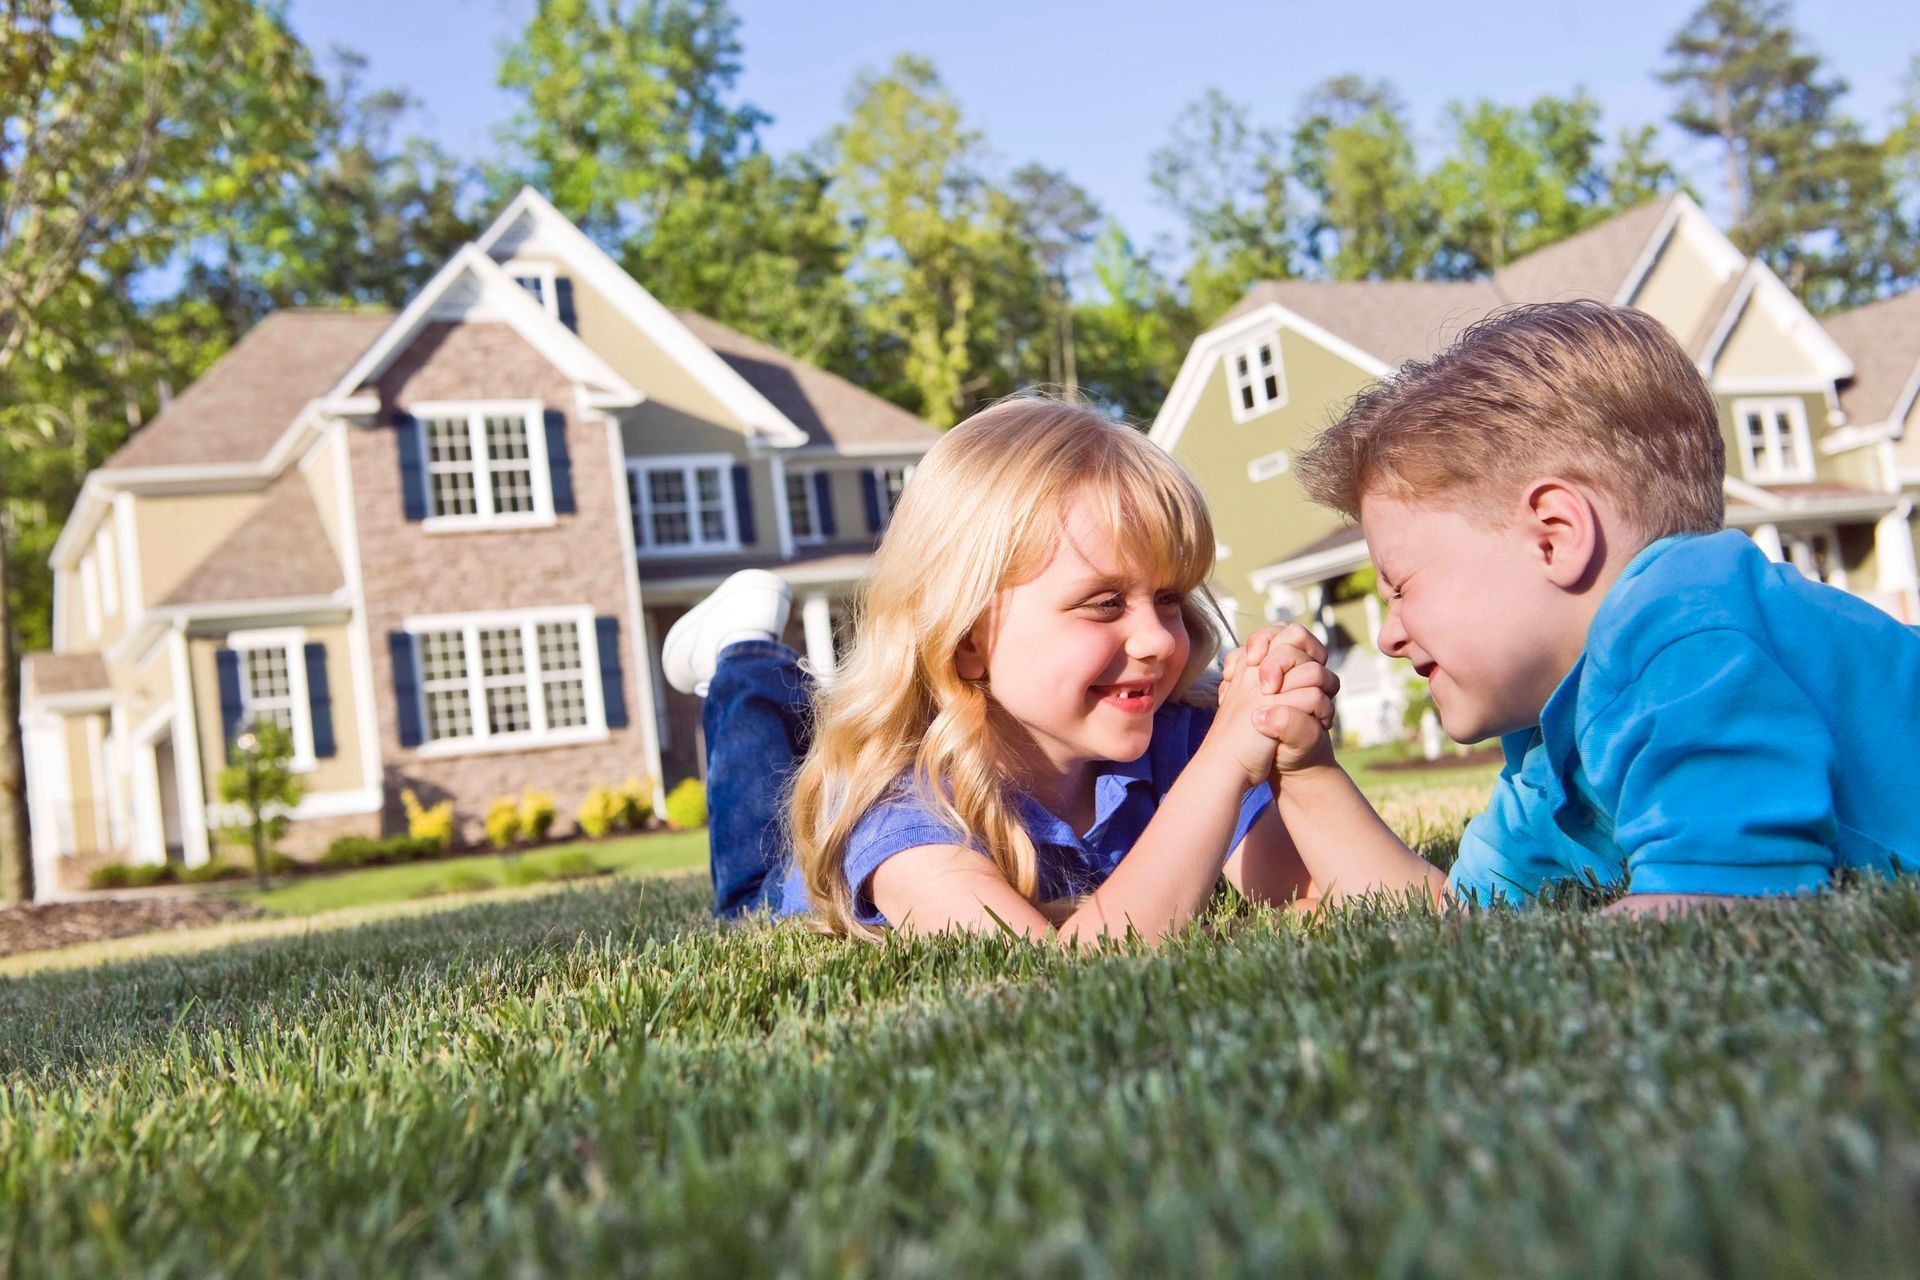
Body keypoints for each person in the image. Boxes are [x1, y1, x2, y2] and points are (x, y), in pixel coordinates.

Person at [1245, 300, 1920, 914]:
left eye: (1401, 586)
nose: (1389, 634)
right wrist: (1305, 772)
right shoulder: (1556, 732)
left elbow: (1722, 897)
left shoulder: (1685, 633)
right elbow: (1449, 916)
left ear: (1554, 536)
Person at [662, 396, 1337, 941]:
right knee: (754, 844)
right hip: (790, 882)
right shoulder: (901, 809)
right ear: (967, 639)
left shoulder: (1181, 735)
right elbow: (1062, 969)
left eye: (1168, 598)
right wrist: (1223, 766)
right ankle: (745, 653)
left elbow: (1306, 895)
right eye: (1104, 604)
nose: (1160, 639)